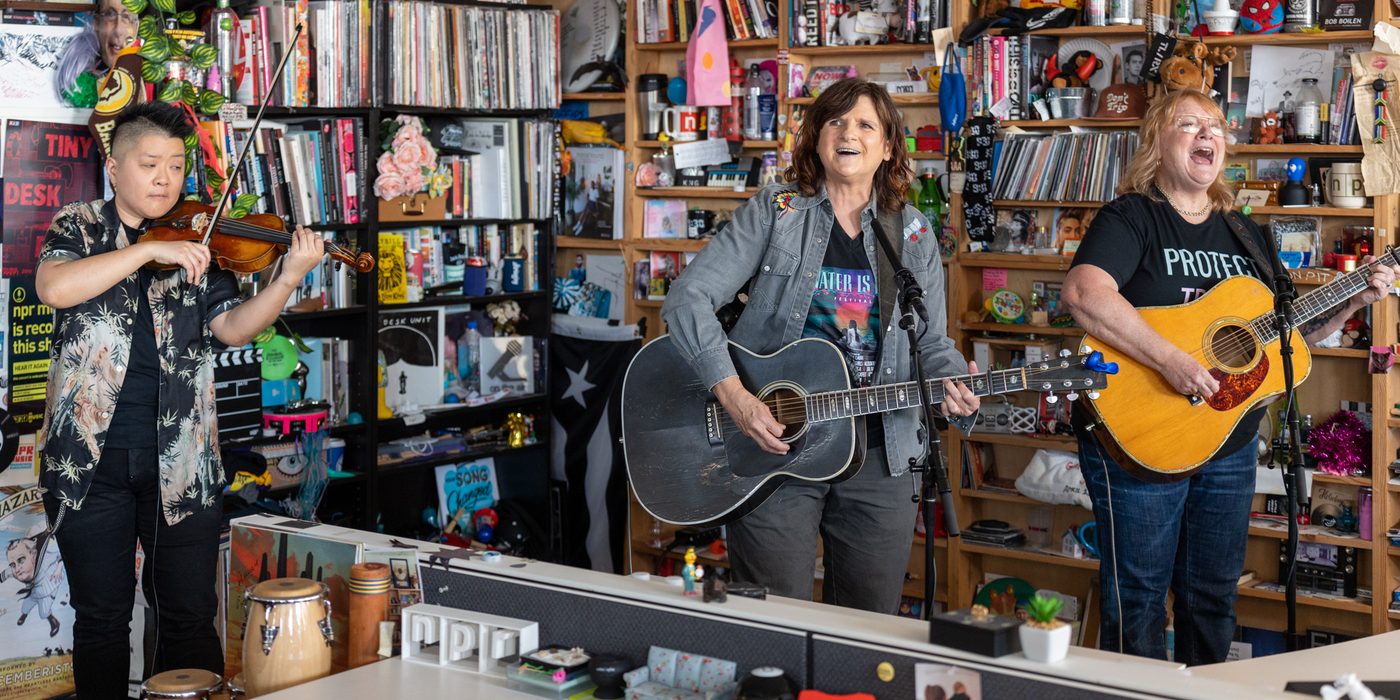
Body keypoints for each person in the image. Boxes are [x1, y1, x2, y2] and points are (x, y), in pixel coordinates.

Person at [1061, 89, 1399, 664]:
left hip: (1228, 443)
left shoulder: (1247, 233)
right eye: (1189, 124)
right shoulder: (1132, 217)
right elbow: (1084, 294)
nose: (1206, 135)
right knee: (1138, 599)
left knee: (1212, 598)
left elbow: (1283, 339)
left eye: (1215, 126)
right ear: (1158, 142)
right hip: (1139, 436)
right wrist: (1173, 360)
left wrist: (1353, 300)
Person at [35, 101, 327, 695]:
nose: (164, 178)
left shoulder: (202, 237)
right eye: (149, 164)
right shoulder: (79, 225)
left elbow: (234, 328)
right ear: (115, 169)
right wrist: (146, 251)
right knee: (101, 621)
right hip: (89, 462)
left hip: (184, 461)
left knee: (189, 618)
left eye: (175, 165)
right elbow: (54, 288)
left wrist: (289, 276)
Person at [662, 78, 980, 614]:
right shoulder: (777, 210)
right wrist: (736, 397)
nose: (848, 133)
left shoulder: (916, 234)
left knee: (867, 625)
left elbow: (931, 341)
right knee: (773, 618)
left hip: (882, 451)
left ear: (887, 146)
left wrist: (957, 385)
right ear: (815, 137)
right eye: (835, 121)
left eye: (864, 125)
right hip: (775, 448)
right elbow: (687, 299)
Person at [55, 0, 139, 106]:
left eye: (127, 17)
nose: (118, 30)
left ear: (136, 28)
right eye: (110, 14)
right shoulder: (78, 78)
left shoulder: (149, 79)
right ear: (96, 23)